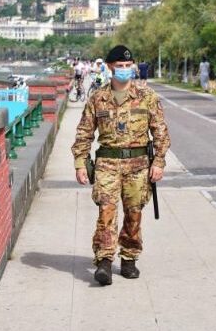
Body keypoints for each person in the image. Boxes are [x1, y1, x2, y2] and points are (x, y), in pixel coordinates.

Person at [72, 45, 171, 286]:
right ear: (109, 67)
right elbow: (84, 132)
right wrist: (80, 163)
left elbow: (160, 133)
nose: (125, 70)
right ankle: (104, 260)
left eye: (128, 66)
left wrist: (158, 162)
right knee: (106, 210)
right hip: (107, 162)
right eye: (120, 66)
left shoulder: (147, 97)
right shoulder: (98, 98)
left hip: (138, 164)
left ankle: (129, 257)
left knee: (133, 212)